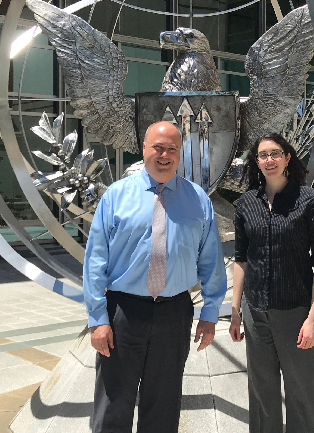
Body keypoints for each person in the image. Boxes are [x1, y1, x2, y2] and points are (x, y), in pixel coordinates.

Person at [83, 121, 227, 433]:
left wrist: (211, 312)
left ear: (180, 154)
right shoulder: (116, 197)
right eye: (157, 147)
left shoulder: (198, 199)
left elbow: (211, 259)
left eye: (172, 149)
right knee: (112, 404)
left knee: (163, 406)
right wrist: (98, 318)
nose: (164, 155)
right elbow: (95, 260)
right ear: (144, 149)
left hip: (174, 313)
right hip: (123, 312)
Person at [230, 133, 314, 433]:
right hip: (255, 311)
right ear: (256, 162)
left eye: (275, 153)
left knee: (300, 394)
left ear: (288, 157)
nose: (269, 160)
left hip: (295, 312)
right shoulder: (246, 203)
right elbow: (241, 259)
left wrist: (313, 317)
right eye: (263, 155)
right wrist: (236, 310)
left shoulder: (309, 201)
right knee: (262, 394)